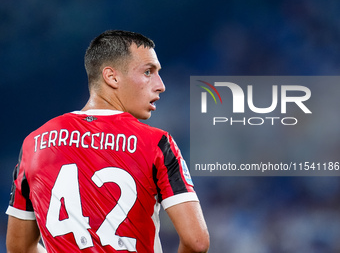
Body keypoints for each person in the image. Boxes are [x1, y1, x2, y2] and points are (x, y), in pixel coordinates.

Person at [6, 30, 209, 253]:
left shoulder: (34, 143)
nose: (161, 85)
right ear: (111, 77)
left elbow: (19, 247)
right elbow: (196, 243)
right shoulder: (157, 143)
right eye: (148, 72)